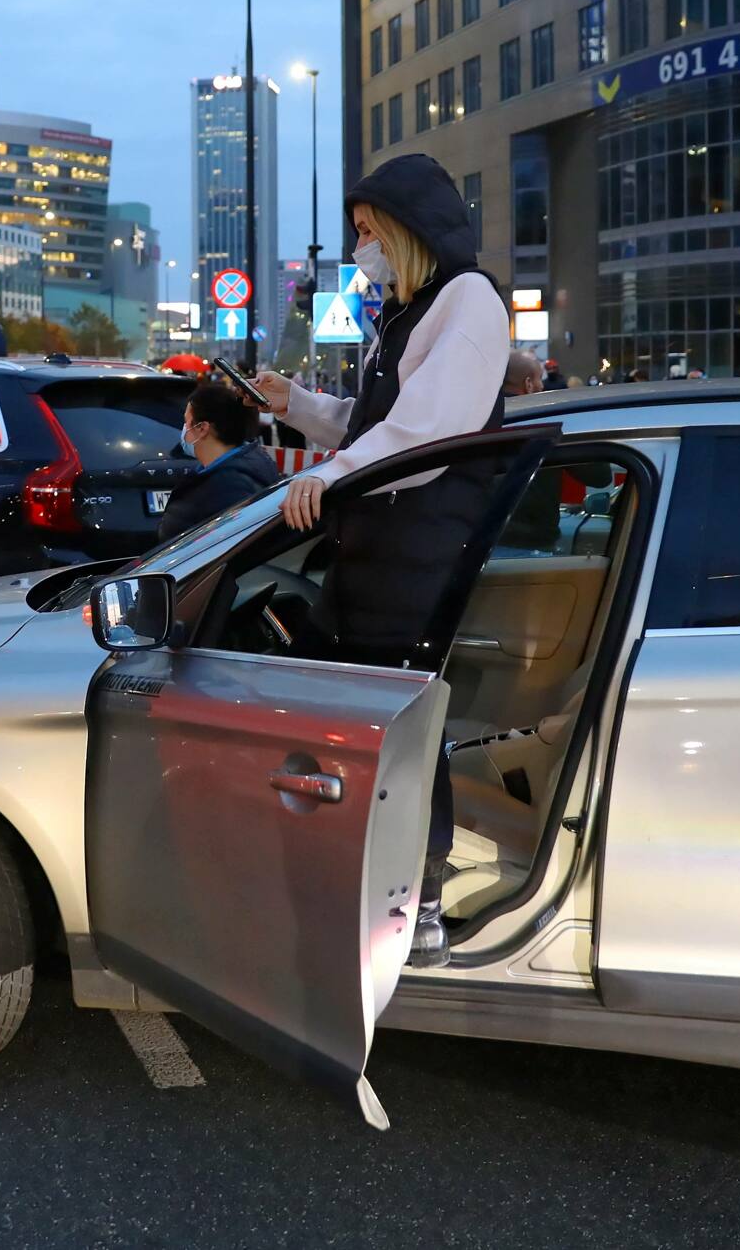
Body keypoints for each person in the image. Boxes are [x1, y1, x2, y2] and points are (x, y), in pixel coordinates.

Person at [251, 153, 508, 967]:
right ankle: (370, 884)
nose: (362, 246)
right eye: (357, 233)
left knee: (400, 730)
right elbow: (378, 427)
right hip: (381, 555)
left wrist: (327, 474)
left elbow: (426, 435)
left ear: (409, 227)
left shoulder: (468, 301)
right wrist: (301, 410)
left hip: (420, 555)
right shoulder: (409, 312)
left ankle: (418, 900)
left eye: (370, 231)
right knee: (373, 724)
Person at [155, 380, 280, 542]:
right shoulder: (252, 463)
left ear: (202, 428)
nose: (184, 428)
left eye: (187, 421)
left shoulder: (228, 488)